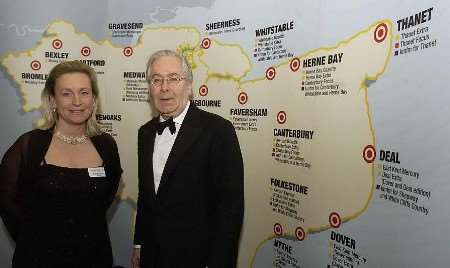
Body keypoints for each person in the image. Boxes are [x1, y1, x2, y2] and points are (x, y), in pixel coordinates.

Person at [0, 60, 122, 268]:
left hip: (94, 256)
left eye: (84, 92)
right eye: (66, 93)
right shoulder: (29, 145)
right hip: (38, 259)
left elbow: (105, 198)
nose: (77, 101)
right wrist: (34, 239)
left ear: (93, 99)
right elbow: (7, 200)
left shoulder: (106, 145)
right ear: (53, 100)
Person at [132, 50, 244, 268]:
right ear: (150, 88)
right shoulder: (144, 133)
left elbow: (231, 207)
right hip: (152, 256)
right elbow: (146, 196)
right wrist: (139, 244)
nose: (165, 87)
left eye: (174, 78)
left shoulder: (218, 130)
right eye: (156, 80)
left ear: (189, 86)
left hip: (199, 258)